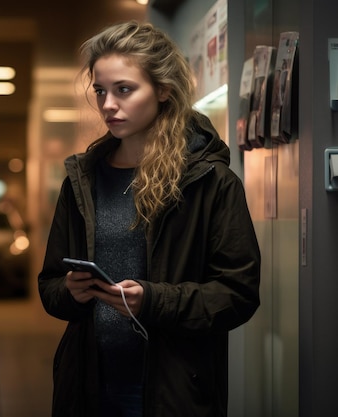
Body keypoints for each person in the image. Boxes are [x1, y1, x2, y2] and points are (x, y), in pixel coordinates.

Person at [38, 21, 261, 417]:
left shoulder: (210, 182)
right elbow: (50, 285)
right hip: (88, 385)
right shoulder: (82, 180)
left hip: (173, 390)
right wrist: (71, 292)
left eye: (124, 89)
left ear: (163, 90)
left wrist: (153, 301)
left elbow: (236, 295)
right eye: (101, 91)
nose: (108, 105)